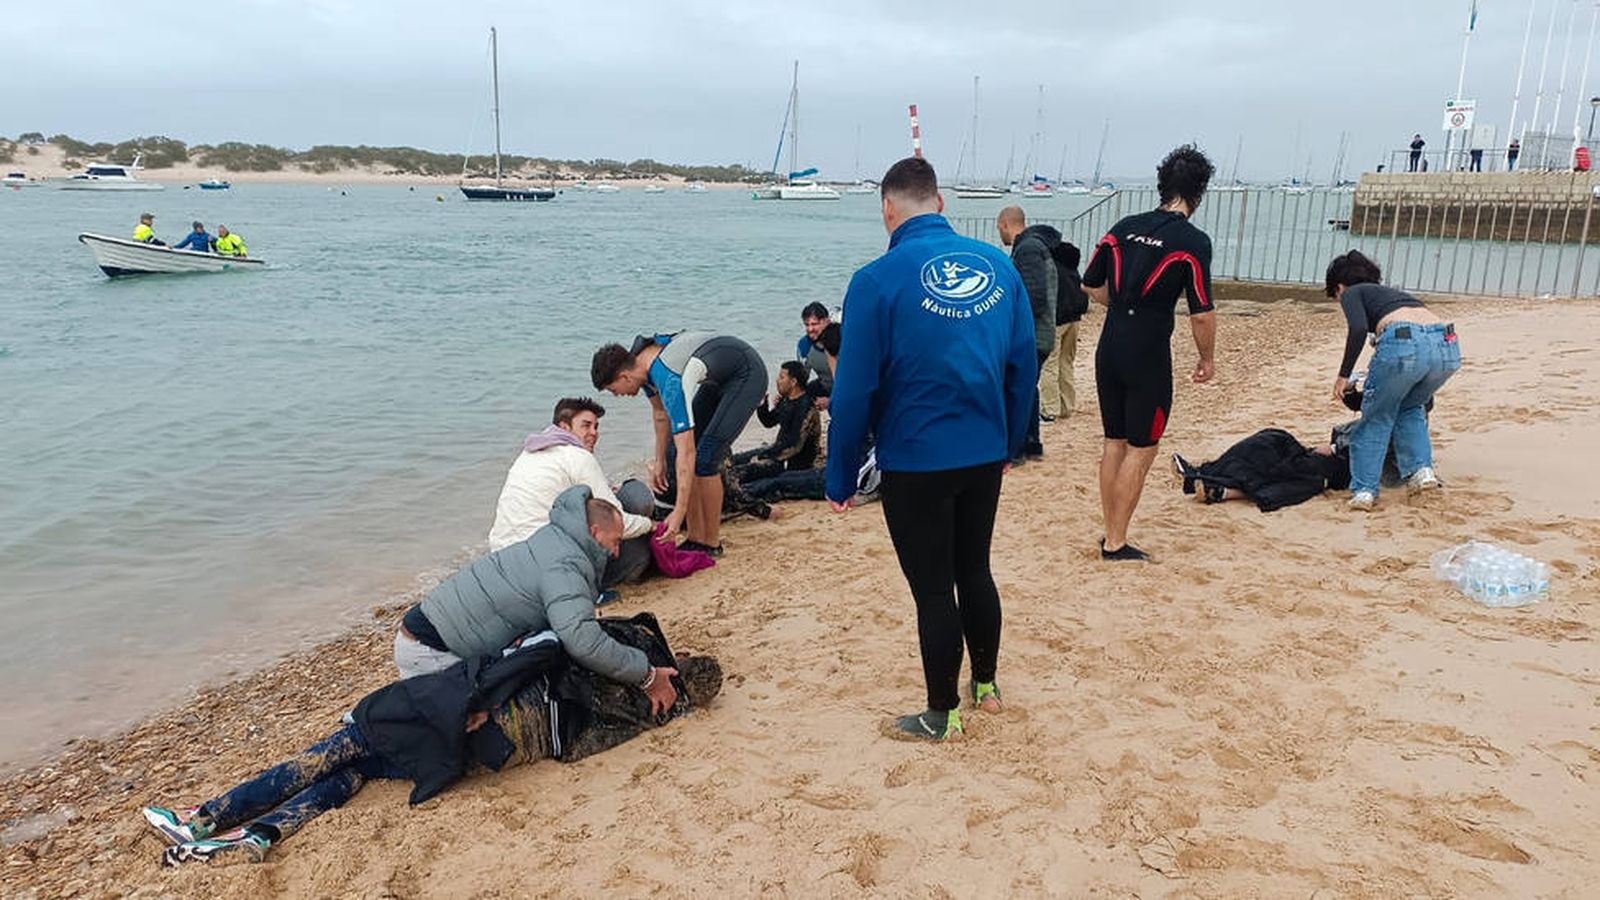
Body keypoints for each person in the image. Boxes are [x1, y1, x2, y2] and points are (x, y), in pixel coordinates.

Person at [141, 614, 722, 866]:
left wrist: (479, 697)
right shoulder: (648, 722)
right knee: (359, 771)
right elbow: (570, 745)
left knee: (344, 743)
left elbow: (546, 653)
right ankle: (264, 831)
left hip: (477, 719)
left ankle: (204, 817)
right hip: (485, 755)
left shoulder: (623, 661)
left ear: (675, 664)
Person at [825, 156, 1035, 742]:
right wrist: (1011, 444)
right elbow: (1023, 368)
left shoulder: (875, 280)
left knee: (933, 589)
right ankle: (986, 687)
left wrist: (839, 478)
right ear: (940, 204)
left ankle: (941, 714)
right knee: (975, 569)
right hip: (983, 451)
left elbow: (854, 391)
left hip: (916, 459)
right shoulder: (999, 266)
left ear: (888, 212)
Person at [393, 487, 680, 723]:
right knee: (480, 725)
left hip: (428, 625)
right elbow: (582, 640)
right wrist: (647, 676)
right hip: (432, 649)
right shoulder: (565, 567)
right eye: (615, 541)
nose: (617, 552)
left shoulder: (554, 538)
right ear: (594, 531)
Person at [1082, 145, 1217, 562]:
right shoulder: (1192, 241)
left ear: (1162, 185)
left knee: (1114, 443)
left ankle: (1111, 533)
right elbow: (1201, 312)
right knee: (1143, 448)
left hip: (1110, 347)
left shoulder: (1123, 227)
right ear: (1199, 192)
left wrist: (1122, 303)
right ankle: (1117, 541)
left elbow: (1090, 284)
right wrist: (1206, 359)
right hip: (1148, 353)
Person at [591, 332, 768, 556]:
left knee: (706, 458)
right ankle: (695, 538)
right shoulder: (642, 369)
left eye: (613, 390)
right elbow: (660, 414)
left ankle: (711, 543)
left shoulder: (667, 377)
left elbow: (688, 451)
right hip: (718, 378)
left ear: (624, 376)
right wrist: (660, 461)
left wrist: (678, 511)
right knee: (674, 456)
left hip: (746, 374)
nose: (617, 396)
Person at [1325, 250, 1460, 510]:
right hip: (1447, 344)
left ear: (1340, 286)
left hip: (1404, 341)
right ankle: (1422, 473)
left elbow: (1357, 329)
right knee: (1410, 408)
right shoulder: (1398, 297)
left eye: (1336, 295)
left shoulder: (1353, 293)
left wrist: (1343, 376)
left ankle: (1364, 490)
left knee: (1377, 417)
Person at [488, 397, 655, 588]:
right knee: (639, 550)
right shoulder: (578, 456)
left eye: (596, 426)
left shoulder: (530, 452)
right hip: (546, 569)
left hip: (503, 562)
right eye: (586, 426)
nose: (594, 433)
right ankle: (593, 585)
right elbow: (621, 522)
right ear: (564, 428)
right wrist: (651, 525)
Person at [996, 205, 1054, 458]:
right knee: (1028, 386)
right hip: (1041, 332)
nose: (1000, 233)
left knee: (1018, 386)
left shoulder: (1028, 249)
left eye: (999, 228)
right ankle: (1031, 444)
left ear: (1006, 224)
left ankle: (1019, 447)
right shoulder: (1034, 246)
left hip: (1034, 334)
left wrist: (1012, 322)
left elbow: (1035, 296)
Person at [733, 361, 820, 482]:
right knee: (735, 460)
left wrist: (764, 457)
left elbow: (794, 445)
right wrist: (762, 405)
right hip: (778, 451)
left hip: (792, 463)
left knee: (742, 473)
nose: (777, 380)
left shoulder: (805, 407)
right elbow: (769, 422)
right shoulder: (787, 400)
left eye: (782, 377)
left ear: (793, 382)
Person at [796, 302, 834, 406]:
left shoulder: (839, 340)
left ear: (827, 321)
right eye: (807, 325)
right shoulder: (804, 344)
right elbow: (802, 378)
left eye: (814, 324)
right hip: (824, 386)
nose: (810, 329)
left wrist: (831, 401)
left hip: (846, 389)